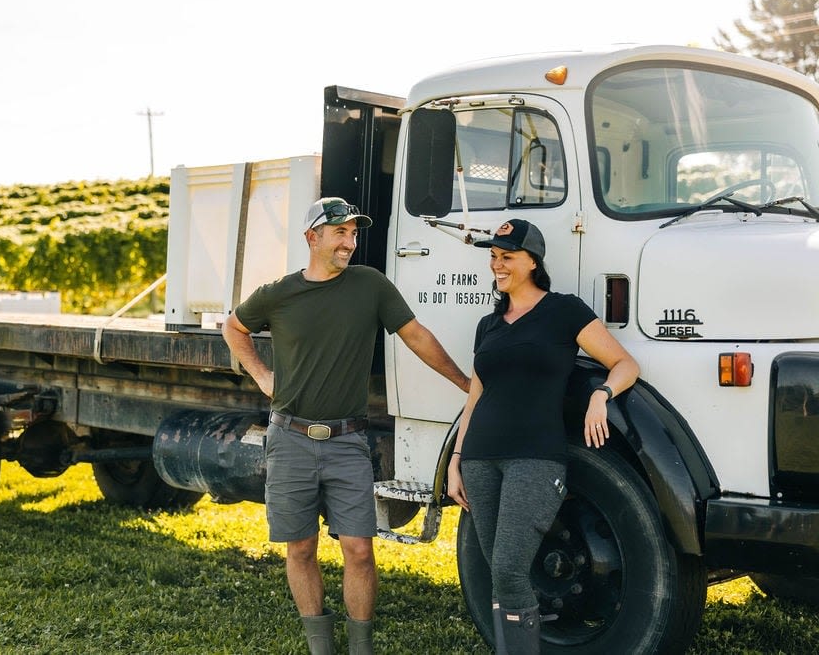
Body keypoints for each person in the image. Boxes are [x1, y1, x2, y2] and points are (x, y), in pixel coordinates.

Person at [222, 197, 469, 655]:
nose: (350, 243)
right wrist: (261, 375)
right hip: (290, 440)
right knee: (300, 549)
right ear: (312, 237)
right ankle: (321, 648)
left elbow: (416, 336)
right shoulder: (279, 293)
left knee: (358, 549)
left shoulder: (370, 285)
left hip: (347, 441)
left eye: (354, 234)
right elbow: (233, 327)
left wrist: (465, 383)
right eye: (340, 233)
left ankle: (361, 648)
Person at [446, 219, 640, 654]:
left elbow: (625, 363)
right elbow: (476, 396)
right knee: (498, 571)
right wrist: (457, 457)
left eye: (507, 257)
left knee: (511, 568)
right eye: (493, 257)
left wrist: (600, 396)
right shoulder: (489, 325)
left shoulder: (564, 311)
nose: (497, 265)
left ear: (532, 261)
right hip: (480, 459)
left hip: (535, 459)